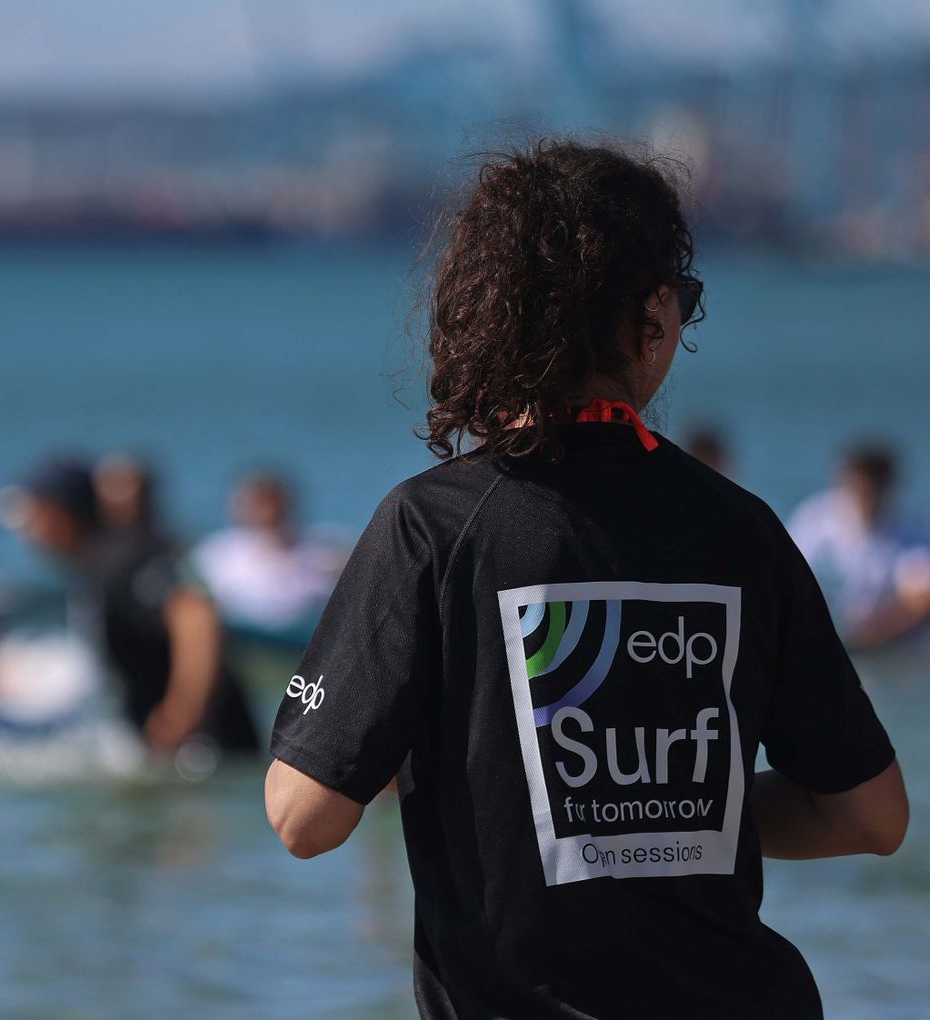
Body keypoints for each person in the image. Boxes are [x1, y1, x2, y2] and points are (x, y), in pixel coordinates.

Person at [264, 140, 907, 1018]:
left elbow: (304, 815)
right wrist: (670, 818)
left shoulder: (438, 525)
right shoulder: (745, 529)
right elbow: (869, 818)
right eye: (686, 299)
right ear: (650, 311)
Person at [14, 458, 258, 754]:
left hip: (208, 749)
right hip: (172, 754)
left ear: (58, 514)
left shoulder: (124, 558)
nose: (25, 531)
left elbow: (195, 612)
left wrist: (182, 712)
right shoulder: (96, 565)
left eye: (30, 516)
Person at [789, 443, 930, 648]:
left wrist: (871, 633)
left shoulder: (909, 529)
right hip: (822, 631)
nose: (863, 496)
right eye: (856, 487)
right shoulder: (815, 519)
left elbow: (922, 594)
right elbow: (784, 574)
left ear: (886, 489)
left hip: (888, 640)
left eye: (870, 489)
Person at [191, 470, 346, 637]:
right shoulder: (215, 553)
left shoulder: (322, 549)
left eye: (274, 504)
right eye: (261, 505)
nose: (269, 513)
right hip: (241, 636)